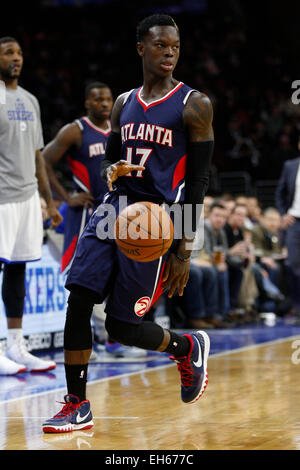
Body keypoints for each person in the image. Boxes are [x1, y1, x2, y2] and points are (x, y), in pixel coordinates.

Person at [42, 14, 213, 433]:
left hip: (156, 221)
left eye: (174, 46)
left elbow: (198, 180)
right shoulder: (123, 103)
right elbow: (107, 162)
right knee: (78, 298)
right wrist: (109, 171)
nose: (169, 52)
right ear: (142, 49)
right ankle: (76, 404)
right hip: (112, 210)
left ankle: (186, 346)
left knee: (122, 326)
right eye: (160, 46)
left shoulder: (194, 105)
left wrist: (184, 249)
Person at [43, 82, 145, 358]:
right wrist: (64, 198)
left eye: (108, 98)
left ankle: (111, 340)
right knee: (82, 279)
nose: (104, 102)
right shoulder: (75, 130)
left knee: (115, 274)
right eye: (97, 99)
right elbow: (43, 159)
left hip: (118, 210)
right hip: (86, 213)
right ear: (87, 103)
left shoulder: (121, 128)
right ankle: (87, 341)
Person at [0, 37, 62, 375]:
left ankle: (16, 345)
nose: (16, 58)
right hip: (1, 197)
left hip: (26, 199)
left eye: (20, 53)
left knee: (18, 270)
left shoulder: (31, 100)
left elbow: (39, 156)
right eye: (8, 52)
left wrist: (49, 202)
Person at [276, 152, 300, 318]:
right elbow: (280, 193)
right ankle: (298, 308)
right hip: (294, 220)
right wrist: (283, 214)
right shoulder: (290, 165)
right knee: (292, 265)